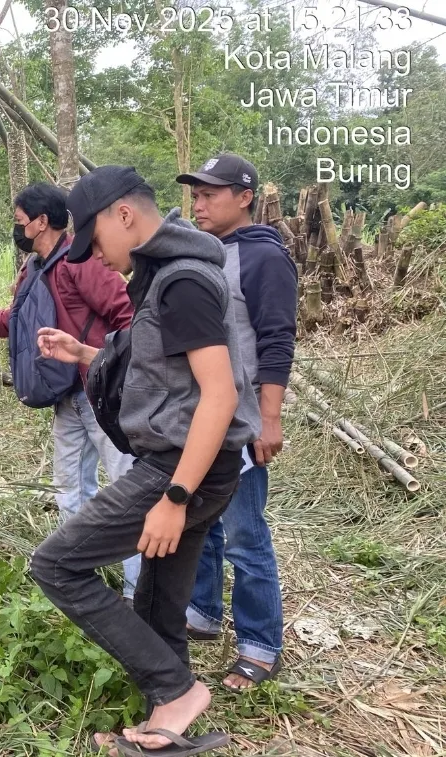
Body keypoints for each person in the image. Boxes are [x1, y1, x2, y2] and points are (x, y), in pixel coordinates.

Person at [29, 166, 260, 756]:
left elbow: (219, 394)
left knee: (56, 565)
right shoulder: (163, 275)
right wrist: (84, 351)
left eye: (95, 241)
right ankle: (169, 718)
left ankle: (177, 690)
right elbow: (164, 366)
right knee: (158, 599)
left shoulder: (182, 280)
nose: (97, 258)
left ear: (123, 215)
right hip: (195, 466)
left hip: (183, 469)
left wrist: (174, 498)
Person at [0, 183, 135, 528]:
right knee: (70, 492)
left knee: (128, 491)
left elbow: (128, 314)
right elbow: (18, 319)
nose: (17, 228)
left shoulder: (82, 261)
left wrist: (114, 366)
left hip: (101, 394)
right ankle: (74, 573)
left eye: (20, 220)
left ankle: (139, 583)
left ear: (41, 221)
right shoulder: (34, 268)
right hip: (66, 395)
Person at [173, 153, 297, 690]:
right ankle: (201, 611)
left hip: (242, 421)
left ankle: (260, 643)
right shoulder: (205, 254)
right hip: (199, 417)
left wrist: (270, 418)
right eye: (195, 195)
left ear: (244, 197)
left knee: (246, 533)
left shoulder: (263, 258)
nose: (198, 204)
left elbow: (276, 339)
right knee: (199, 523)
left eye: (210, 194)